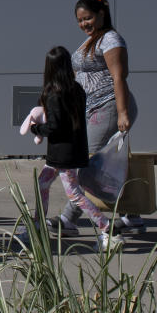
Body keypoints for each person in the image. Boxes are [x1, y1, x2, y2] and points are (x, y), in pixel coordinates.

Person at [51, 0, 144, 236]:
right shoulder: (92, 41)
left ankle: (69, 219)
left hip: (109, 106)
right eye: (80, 20)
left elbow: (118, 78)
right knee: (112, 165)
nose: (84, 23)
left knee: (87, 165)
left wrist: (122, 114)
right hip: (92, 109)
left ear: (102, 14)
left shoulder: (111, 39)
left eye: (88, 18)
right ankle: (132, 216)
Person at [23, 46, 123, 252]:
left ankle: (108, 230)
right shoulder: (75, 90)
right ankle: (37, 225)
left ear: (49, 69)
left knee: (75, 194)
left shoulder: (54, 94)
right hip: (72, 151)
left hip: (62, 155)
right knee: (43, 182)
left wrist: (36, 128)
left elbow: (55, 127)